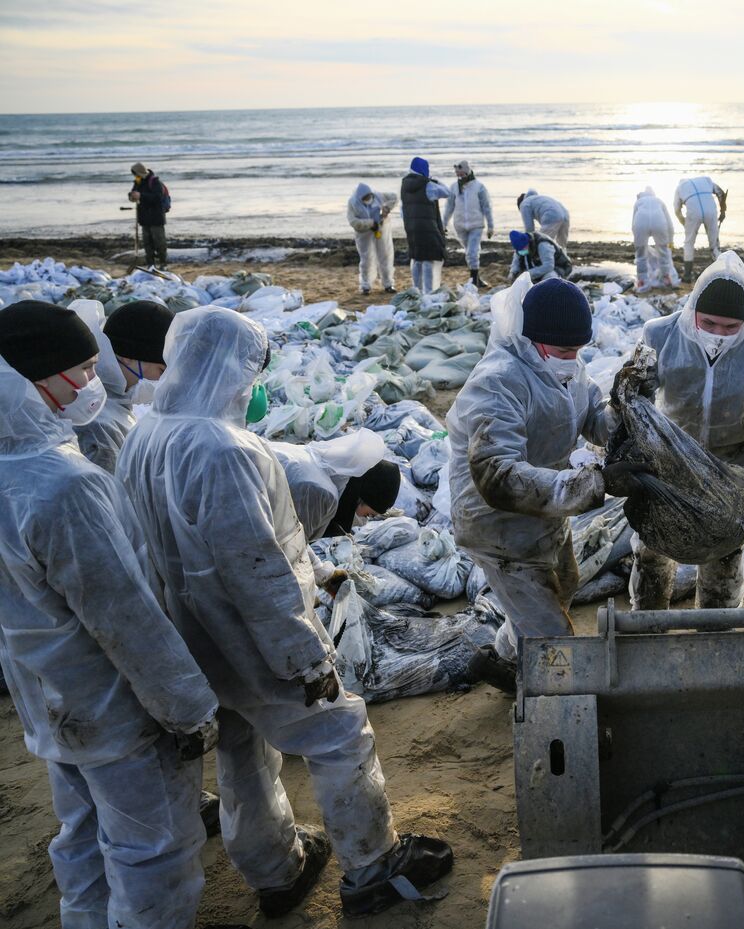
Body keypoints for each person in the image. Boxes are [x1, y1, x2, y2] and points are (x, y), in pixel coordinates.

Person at [117, 307, 453, 918]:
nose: (254, 383)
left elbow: (163, 542)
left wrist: (317, 573)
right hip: (243, 636)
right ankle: (374, 865)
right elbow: (256, 570)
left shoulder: (146, 432)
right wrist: (306, 658)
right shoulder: (224, 449)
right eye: (251, 370)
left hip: (187, 636)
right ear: (230, 369)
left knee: (243, 749)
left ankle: (277, 871)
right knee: (339, 731)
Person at [0, 300, 219, 929]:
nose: (95, 384)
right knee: (153, 847)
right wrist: (188, 707)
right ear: (33, 382)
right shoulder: (64, 485)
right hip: (109, 702)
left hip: (46, 696)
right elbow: (124, 615)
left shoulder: (17, 468)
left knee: (83, 829)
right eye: (84, 369)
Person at [448, 278, 614, 691]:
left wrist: (629, 423)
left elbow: (594, 415)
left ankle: (503, 660)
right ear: (533, 340)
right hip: (498, 526)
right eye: (563, 352)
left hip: (545, 513)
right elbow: (496, 476)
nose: (572, 360)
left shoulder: (567, 370)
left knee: (564, 585)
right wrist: (584, 486)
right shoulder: (498, 381)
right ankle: (552, 709)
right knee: (552, 636)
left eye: (578, 351)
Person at [630, 252, 744, 610]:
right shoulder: (660, 333)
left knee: (725, 553)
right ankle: (648, 622)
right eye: (710, 323)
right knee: (654, 547)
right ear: (693, 313)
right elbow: (638, 398)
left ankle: (714, 626)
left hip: (729, 462)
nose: (719, 334)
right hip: (670, 457)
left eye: (731, 327)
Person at [71, 298, 174, 473]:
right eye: (161, 371)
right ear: (128, 356)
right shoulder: (97, 420)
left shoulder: (116, 399)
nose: (163, 381)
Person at [272, 431, 402, 540]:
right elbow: (292, 541)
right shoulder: (322, 492)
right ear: (362, 497)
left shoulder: (318, 464)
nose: (365, 520)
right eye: (369, 515)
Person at [400, 157, 450, 294]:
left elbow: (402, 209)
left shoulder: (404, 185)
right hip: (427, 228)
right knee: (428, 258)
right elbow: (447, 192)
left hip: (411, 227)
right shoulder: (428, 185)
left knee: (417, 257)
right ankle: (428, 291)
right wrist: (436, 180)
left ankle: (417, 289)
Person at [442, 161, 494, 289]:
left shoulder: (479, 187)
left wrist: (490, 225)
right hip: (460, 225)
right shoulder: (454, 187)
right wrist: (444, 224)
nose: (457, 174)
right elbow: (449, 207)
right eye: (456, 172)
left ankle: (474, 279)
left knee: (472, 252)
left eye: (459, 171)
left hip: (476, 224)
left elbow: (486, 207)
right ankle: (476, 278)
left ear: (465, 171)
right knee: (469, 252)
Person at [673, 176, 727, 282]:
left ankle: (687, 275)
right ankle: (721, 272)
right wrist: (723, 211)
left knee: (689, 243)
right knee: (714, 243)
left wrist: (684, 222)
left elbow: (676, 209)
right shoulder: (705, 180)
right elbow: (721, 193)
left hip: (693, 212)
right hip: (710, 210)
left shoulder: (679, 188)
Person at [347, 183, 398, 294]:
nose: (368, 199)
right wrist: (369, 223)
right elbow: (353, 221)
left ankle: (388, 284)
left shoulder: (378, 196)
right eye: (365, 198)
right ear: (360, 198)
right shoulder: (353, 203)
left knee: (385, 255)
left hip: (381, 228)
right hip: (364, 233)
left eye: (369, 196)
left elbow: (395, 197)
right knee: (366, 259)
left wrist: (387, 207)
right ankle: (365, 285)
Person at [632, 187, 680, 293]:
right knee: (663, 250)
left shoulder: (638, 202)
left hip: (640, 223)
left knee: (641, 254)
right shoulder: (659, 201)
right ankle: (666, 278)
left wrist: (638, 243)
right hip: (659, 223)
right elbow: (670, 225)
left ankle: (642, 281)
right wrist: (670, 242)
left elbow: (633, 223)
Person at [128, 162, 168, 269]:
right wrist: (132, 196)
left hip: (156, 217)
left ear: (140, 172)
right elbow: (133, 193)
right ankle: (151, 264)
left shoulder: (155, 182)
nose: (135, 176)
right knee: (147, 243)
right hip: (144, 217)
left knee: (159, 242)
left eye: (135, 173)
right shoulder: (138, 181)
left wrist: (141, 195)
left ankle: (163, 264)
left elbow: (157, 197)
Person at [508, 229, 572, 283]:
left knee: (549, 278)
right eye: (520, 250)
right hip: (537, 268)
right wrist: (512, 273)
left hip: (559, 266)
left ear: (528, 242)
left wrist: (529, 274)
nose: (522, 251)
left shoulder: (543, 245)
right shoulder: (520, 247)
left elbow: (549, 266)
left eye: (523, 248)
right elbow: (516, 261)